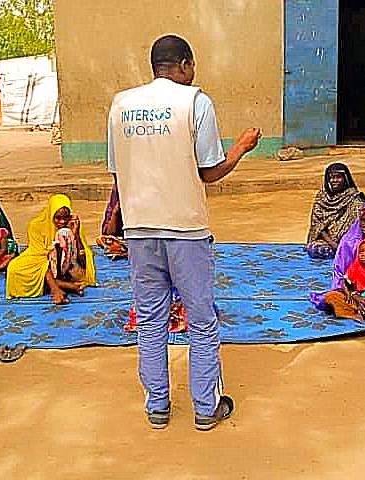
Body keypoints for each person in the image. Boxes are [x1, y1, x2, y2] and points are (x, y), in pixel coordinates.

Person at [108, 34, 261, 430]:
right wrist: (241, 147)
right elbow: (209, 171)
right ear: (185, 65)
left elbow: (117, 174)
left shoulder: (120, 105)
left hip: (140, 230)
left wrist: (116, 222)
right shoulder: (195, 101)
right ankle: (206, 408)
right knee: (202, 320)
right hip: (186, 230)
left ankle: (158, 407)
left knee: (149, 319)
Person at [6, 194, 96, 303]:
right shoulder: (35, 225)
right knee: (14, 268)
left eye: (66, 217)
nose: (62, 222)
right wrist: (53, 254)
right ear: (51, 214)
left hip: (66, 266)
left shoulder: (72, 225)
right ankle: (66, 287)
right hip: (43, 261)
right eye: (58, 218)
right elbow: (37, 253)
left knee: (72, 266)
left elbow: (82, 257)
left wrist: (75, 234)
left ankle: (55, 287)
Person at [306, 163, 365, 259]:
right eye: (331, 178)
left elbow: (360, 226)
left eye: (338, 177)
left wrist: (344, 243)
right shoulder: (322, 198)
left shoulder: (356, 199)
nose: (334, 180)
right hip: (327, 241)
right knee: (317, 249)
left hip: (349, 240)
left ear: (345, 179)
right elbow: (318, 226)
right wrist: (333, 244)